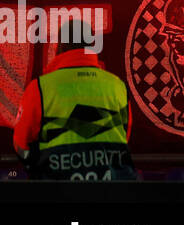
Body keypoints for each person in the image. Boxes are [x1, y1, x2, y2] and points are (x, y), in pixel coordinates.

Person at [12, 18, 137, 180]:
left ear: (60, 46)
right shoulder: (117, 86)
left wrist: (35, 167)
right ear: (93, 46)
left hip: (58, 192)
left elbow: (20, 143)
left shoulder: (40, 87)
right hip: (113, 191)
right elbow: (124, 137)